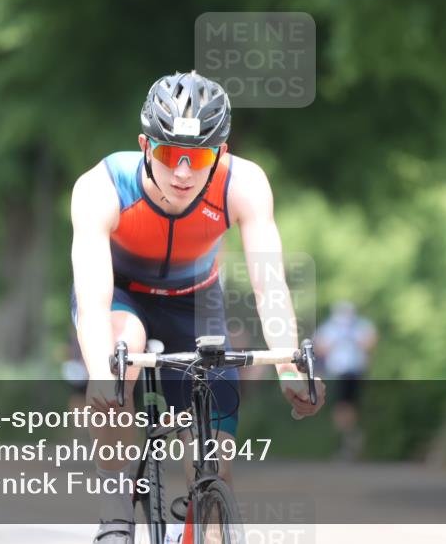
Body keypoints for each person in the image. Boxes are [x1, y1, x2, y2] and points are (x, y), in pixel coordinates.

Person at [70, 70, 326, 543]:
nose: (183, 172)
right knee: (122, 352)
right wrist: (101, 374)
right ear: (146, 146)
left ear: (221, 154)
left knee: (213, 464)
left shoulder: (244, 184)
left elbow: (270, 287)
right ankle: (116, 506)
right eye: (169, 155)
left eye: (200, 156)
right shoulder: (100, 187)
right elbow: (91, 301)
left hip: (195, 302)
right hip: (123, 296)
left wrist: (290, 366)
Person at [314, 301, 377, 460]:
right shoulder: (330, 327)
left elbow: (371, 342)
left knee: (351, 405)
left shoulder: (360, 326)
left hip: (355, 370)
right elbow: (319, 347)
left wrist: (354, 339)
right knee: (341, 406)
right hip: (337, 371)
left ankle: (350, 439)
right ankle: (345, 440)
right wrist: (335, 342)